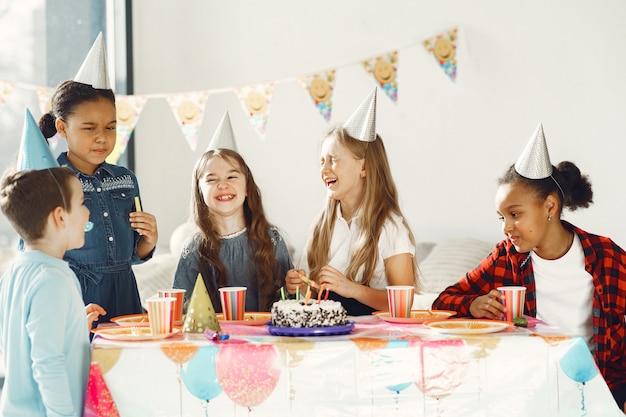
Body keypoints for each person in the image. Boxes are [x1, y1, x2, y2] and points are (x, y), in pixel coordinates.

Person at [432, 124, 626, 412]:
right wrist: (473, 305)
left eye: (514, 214)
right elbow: (443, 301)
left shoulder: (605, 257)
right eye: (501, 217)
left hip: (598, 392)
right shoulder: (507, 257)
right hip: (529, 391)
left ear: (549, 207)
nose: (506, 227)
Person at [38, 34, 158, 322]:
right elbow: (40, 259)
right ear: (63, 128)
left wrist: (149, 241)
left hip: (126, 296)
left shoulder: (126, 180)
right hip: (79, 301)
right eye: (89, 128)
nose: (102, 137)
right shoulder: (51, 183)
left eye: (111, 127)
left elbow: (132, 254)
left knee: (126, 363)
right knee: (86, 364)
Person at [285, 88, 419, 316]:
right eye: (321, 162)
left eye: (333, 161)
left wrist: (351, 289)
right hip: (330, 336)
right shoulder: (321, 226)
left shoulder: (389, 227)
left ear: (364, 167)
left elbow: (404, 302)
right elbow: (318, 294)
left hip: (375, 340)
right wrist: (302, 286)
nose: (324, 170)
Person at [0, 166, 106, 416]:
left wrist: (74, 324)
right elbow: (47, 363)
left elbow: (25, 338)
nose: (87, 212)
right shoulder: (52, 280)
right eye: (82, 203)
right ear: (60, 217)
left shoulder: (16, 272)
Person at [172, 112, 292, 312]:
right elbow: (182, 311)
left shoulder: (271, 240)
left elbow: (288, 302)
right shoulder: (193, 249)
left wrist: (293, 287)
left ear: (247, 189)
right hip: (214, 341)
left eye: (232, 177)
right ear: (200, 192)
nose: (223, 185)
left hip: (266, 340)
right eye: (211, 179)